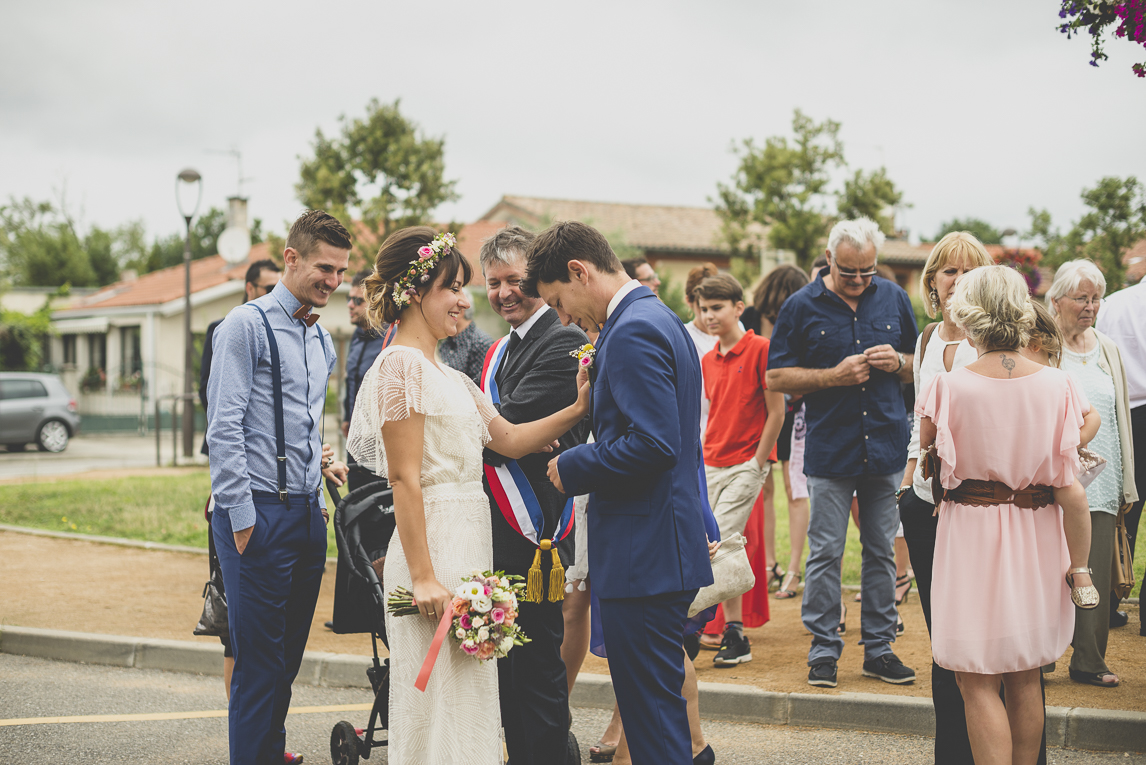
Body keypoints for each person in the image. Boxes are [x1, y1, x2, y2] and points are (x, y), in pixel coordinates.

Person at [346, 226, 589, 765]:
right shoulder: (399, 369)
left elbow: (507, 437)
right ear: (414, 294)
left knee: (473, 705)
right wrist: (425, 576)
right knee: (439, 710)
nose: (465, 300)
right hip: (431, 554)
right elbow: (405, 481)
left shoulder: (452, 377)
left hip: (472, 553)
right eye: (451, 288)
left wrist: (577, 408)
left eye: (463, 287)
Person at [524, 220, 713, 765]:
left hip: (644, 550)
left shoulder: (631, 329)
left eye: (559, 301)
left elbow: (655, 444)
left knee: (651, 716)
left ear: (579, 272)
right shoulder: (654, 317)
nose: (563, 318)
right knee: (655, 709)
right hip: (654, 545)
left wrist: (574, 462)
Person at [917, 265, 1098, 765]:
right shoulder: (1058, 384)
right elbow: (1079, 438)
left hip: (973, 532)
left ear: (968, 316)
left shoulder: (949, 387)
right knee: (1025, 674)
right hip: (1038, 531)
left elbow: (927, 446)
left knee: (975, 678)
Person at [207, 210, 349, 765]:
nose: (333, 282)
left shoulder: (322, 340)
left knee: (286, 661)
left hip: (308, 516)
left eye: (340, 271)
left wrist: (321, 462)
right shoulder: (245, 326)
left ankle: (271, 754)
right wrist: (242, 518)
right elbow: (226, 427)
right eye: (323, 268)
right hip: (258, 516)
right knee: (258, 665)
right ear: (290, 259)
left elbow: (303, 422)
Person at [766, 217, 918, 689]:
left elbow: (920, 364)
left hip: (887, 448)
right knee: (826, 551)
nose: (858, 281)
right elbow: (775, 378)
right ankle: (823, 649)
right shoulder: (800, 306)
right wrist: (831, 376)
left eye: (867, 271)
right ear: (829, 259)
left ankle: (879, 648)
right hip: (831, 451)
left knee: (881, 551)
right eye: (849, 271)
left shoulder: (893, 296)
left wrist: (900, 364)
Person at [477, 225, 590, 764]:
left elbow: (505, 431)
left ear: (540, 280)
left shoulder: (564, 341)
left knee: (538, 667)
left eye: (516, 280)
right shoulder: (501, 349)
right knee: (507, 666)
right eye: (494, 283)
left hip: (535, 531)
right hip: (498, 529)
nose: (505, 293)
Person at [895, 232, 994, 764]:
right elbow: (920, 420)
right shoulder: (928, 336)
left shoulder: (994, 341)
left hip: (979, 504)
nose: (957, 279)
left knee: (981, 636)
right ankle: (951, 753)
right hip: (924, 501)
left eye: (969, 270)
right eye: (948, 271)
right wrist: (908, 486)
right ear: (932, 280)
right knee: (942, 640)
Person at [1048, 259, 1138, 687]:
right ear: (1056, 300)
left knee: (1095, 574)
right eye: (1081, 298)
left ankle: (1089, 659)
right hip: (1052, 479)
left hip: (1100, 484)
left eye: (1096, 298)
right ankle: (1041, 657)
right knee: (1046, 568)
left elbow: (1119, 417)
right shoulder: (1043, 347)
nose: (1090, 306)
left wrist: (1126, 480)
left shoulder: (1107, 348)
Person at [694, 273, 784, 667]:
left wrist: (757, 464)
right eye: (703, 309)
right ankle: (729, 629)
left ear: (738, 308)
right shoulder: (706, 359)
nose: (709, 315)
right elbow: (712, 414)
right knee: (713, 542)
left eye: (717, 308)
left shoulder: (762, 348)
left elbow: (777, 411)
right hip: (710, 461)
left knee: (723, 542)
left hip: (746, 463)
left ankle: (709, 629)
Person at [327, 268, 394, 636]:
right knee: (350, 520)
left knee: (376, 525)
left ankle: (378, 607)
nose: (351, 306)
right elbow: (348, 386)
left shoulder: (389, 340)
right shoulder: (355, 339)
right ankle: (350, 611)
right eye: (349, 300)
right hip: (354, 445)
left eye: (357, 300)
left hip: (381, 449)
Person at [753, 265, 811, 601]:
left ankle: (791, 569)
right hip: (761, 409)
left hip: (795, 412)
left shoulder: (805, 319)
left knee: (793, 486)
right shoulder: (752, 316)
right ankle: (769, 565)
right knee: (764, 486)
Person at [1096, 273, 1146, 636]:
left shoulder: (1115, 302)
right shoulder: (1115, 301)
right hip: (1128, 411)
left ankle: (1109, 603)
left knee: (1123, 513)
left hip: (1129, 413)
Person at [438, 296, 494, 383]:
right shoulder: (445, 343)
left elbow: (479, 388)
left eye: (447, 311)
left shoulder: (481, 343)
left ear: (460, 312)